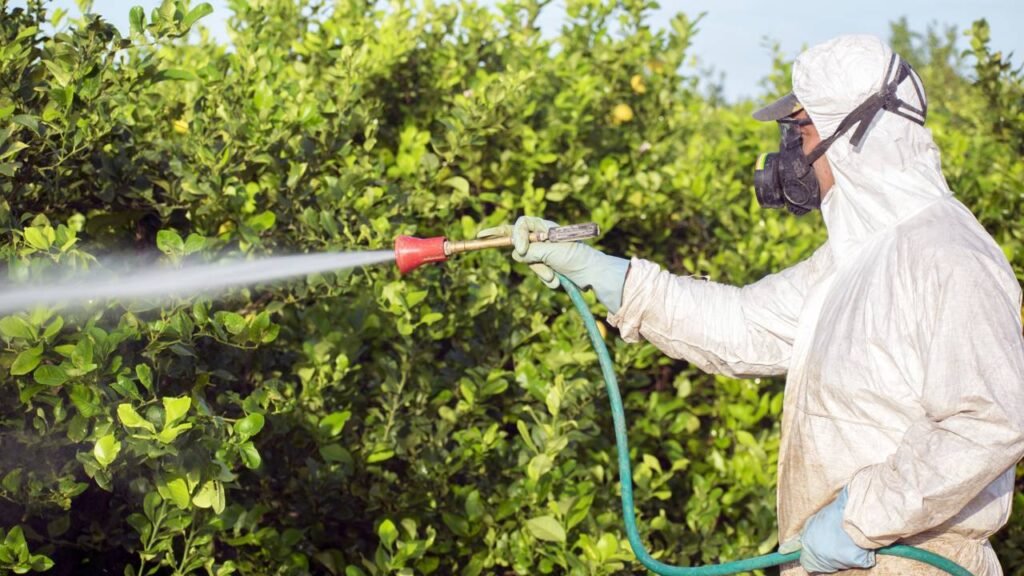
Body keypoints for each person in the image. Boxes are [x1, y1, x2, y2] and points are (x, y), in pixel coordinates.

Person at [479, 35, 1024, 575]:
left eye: (801, 130)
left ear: (851, 132)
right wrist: (606, 273)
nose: (793, 153)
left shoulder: (948, 255)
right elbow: (740, 325)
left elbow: (989, 421)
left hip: (916, 562)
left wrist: (862, 516)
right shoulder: (853, 258)